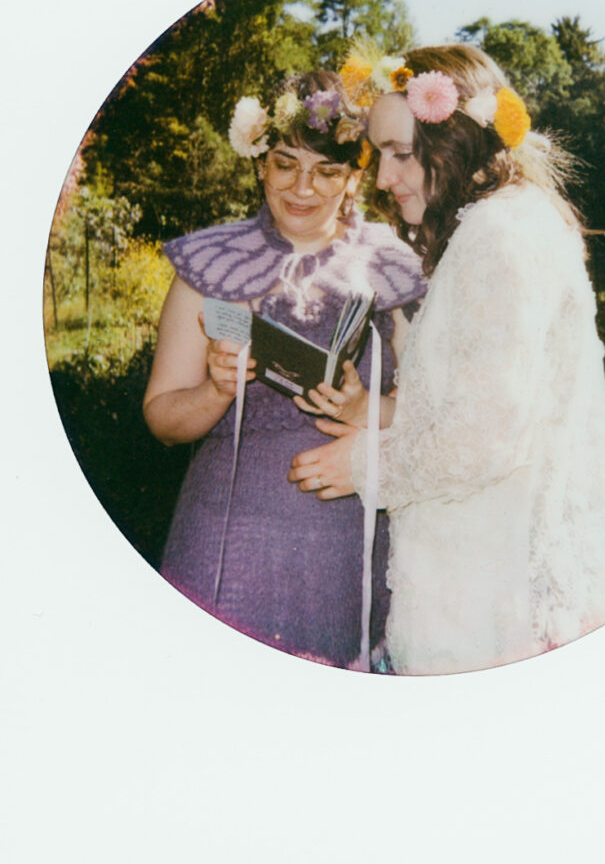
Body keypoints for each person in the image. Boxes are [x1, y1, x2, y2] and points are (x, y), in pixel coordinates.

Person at [288, 45, 605, 675]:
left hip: (494, 612)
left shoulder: (498, 238)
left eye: (401, 154)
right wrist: (376, 408)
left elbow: (485, 438)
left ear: (453, 138)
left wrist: (360, 464)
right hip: (491, 589)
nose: (382, 178)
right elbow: (482, 402)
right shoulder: (503, 225)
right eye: (380, 156)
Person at [143, 70, 425, 669]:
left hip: (351, 552)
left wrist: (365, 419)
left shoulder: (394, 267)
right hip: (227, 547)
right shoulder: (210, 262)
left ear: (354, 176)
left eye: (326, 170)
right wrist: (217, 390)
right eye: (284, 163)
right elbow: (163, 420)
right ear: (259, 164)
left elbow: (436, 414)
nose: (303, 187)